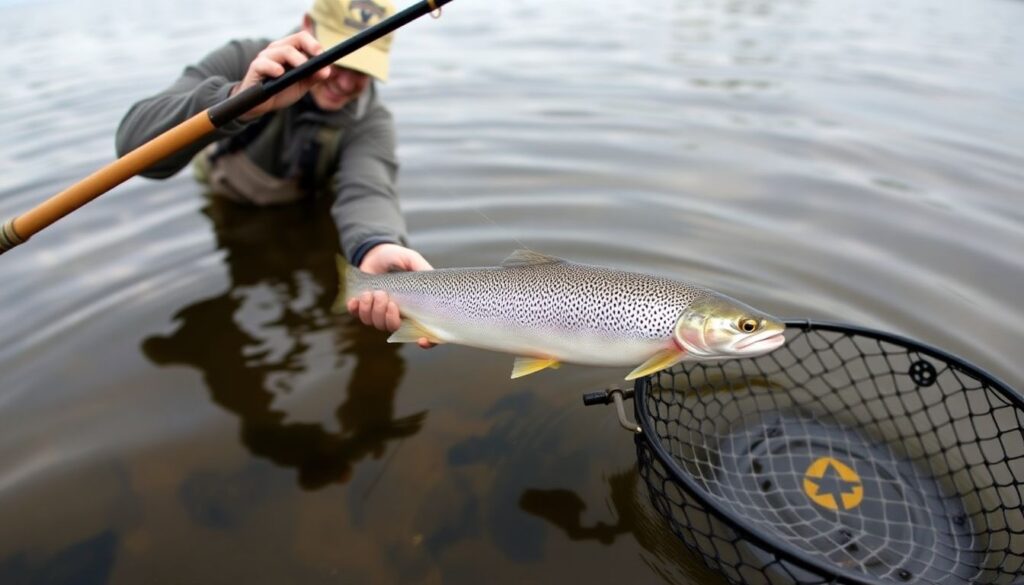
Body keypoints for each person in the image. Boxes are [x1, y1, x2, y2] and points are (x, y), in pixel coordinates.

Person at [116, 0, 432, 346]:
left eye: (363, 70)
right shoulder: (241, 59)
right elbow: (132, 147)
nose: (345, 83)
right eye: (339, 58)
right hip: (230, 201)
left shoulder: (371, 121)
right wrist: (239, 99)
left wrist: (374, 245)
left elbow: (369, 189)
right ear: (307, 26)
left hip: (306, 205)